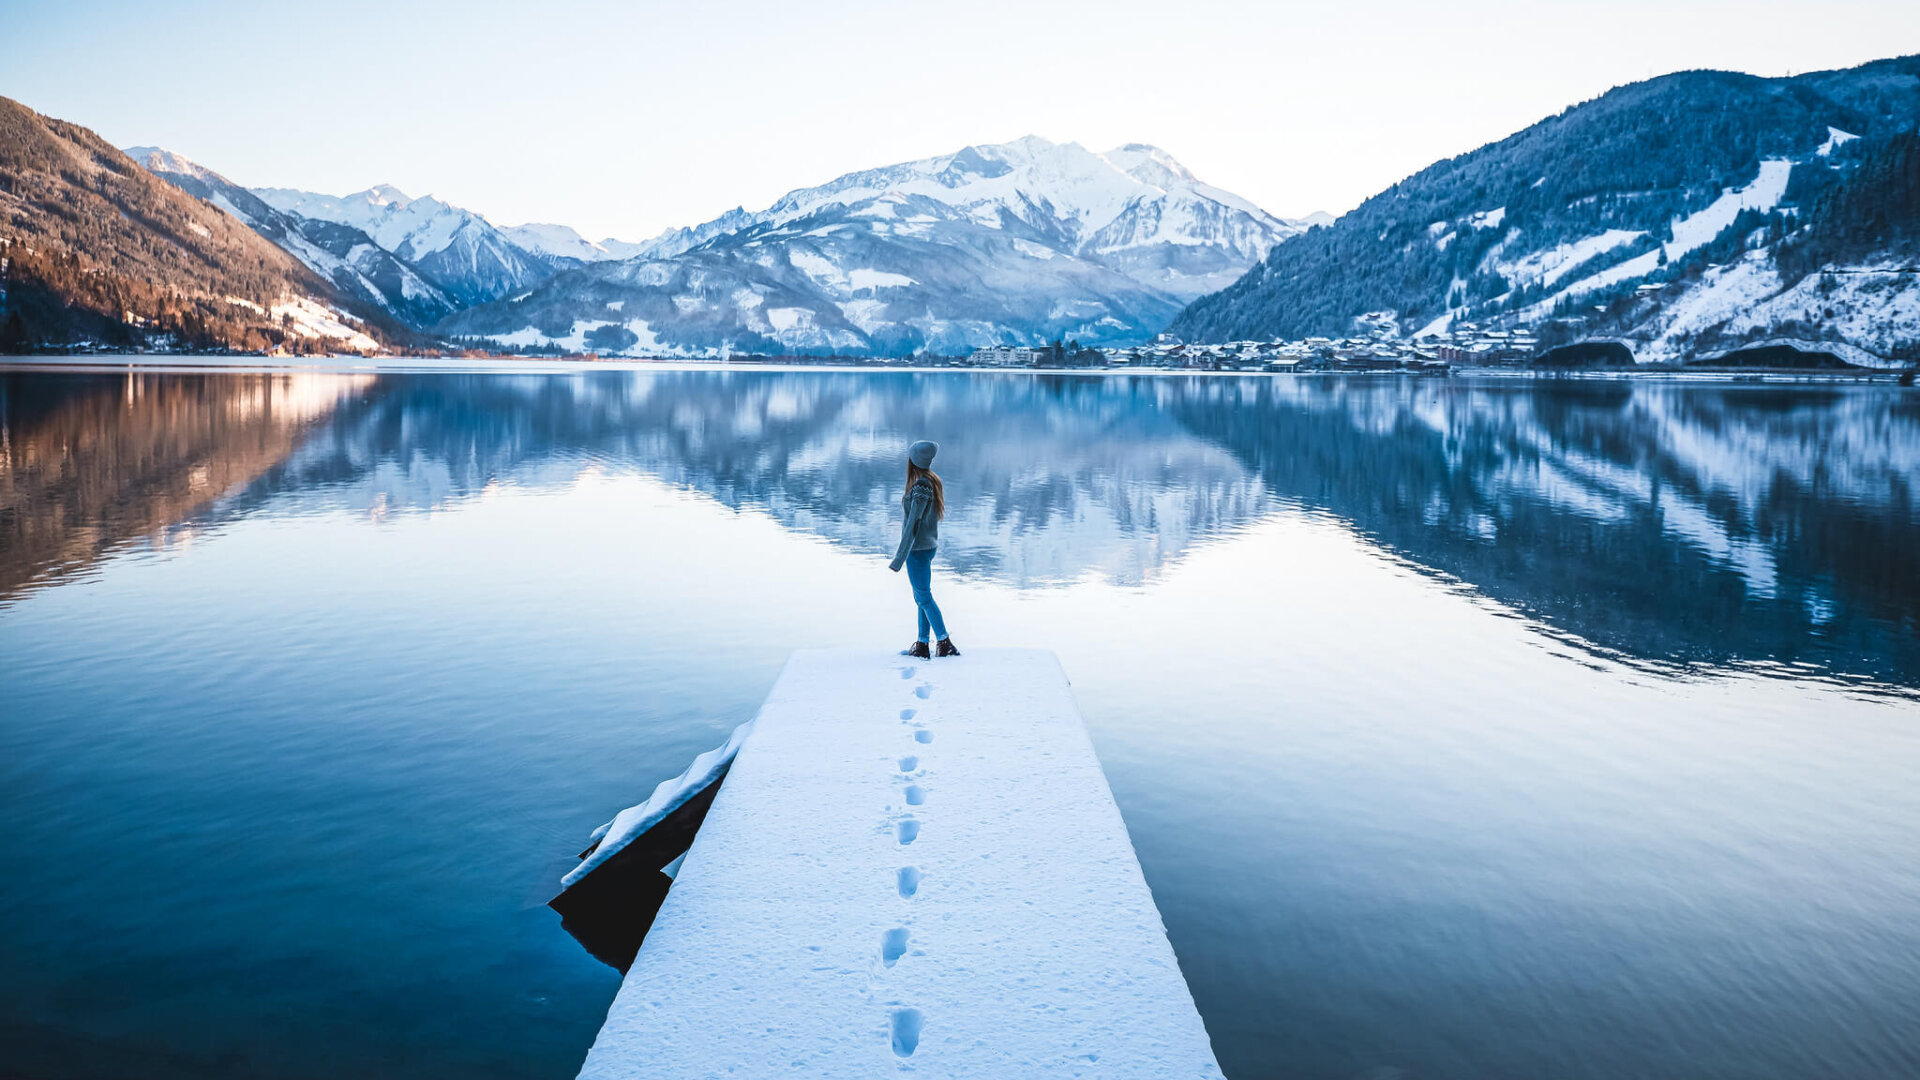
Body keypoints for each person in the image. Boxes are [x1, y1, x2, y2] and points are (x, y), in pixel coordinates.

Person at [889, 440, 959, 658]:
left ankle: (944, 641)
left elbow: (913, 524)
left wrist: (899, 558)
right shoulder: (931, 480)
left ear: (913, 461)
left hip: (917, 550)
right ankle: (921, 643)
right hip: (927, 547)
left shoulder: (920, 486)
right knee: (922, 597)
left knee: (924, 598)